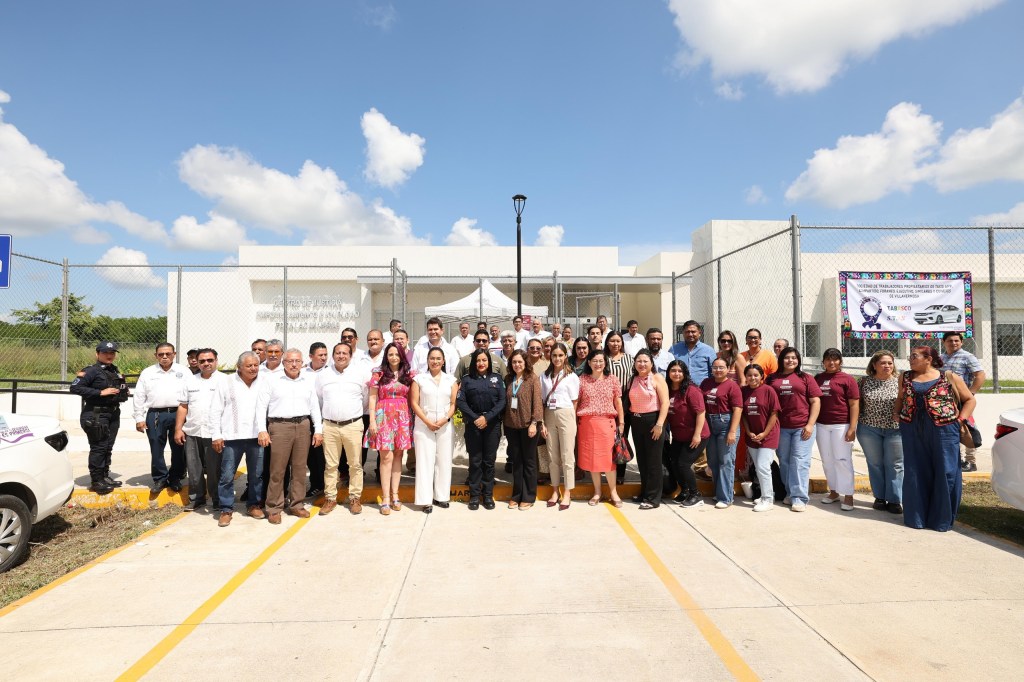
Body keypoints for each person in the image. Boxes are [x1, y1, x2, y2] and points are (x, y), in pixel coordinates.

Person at [896, 345, 976, 531]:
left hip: (945, 430)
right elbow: (900, 398)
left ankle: (940, 520)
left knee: (945, 471)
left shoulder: (948, 376)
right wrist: (896, 414)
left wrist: (960, 419)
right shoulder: (905, 377)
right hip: (911, 428)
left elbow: (970, 399)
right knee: (915, 470)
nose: (910, 359)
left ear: (928, 359)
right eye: (910, 356)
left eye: (915, 356)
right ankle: (916, 518)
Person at [256, 349, 323, 524]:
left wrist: (318, 430)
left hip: (303, 425)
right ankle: (274, 507)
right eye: (290, 361)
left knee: (300, 468)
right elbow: (261, 406)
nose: (294, 364)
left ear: (302, 363)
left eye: (297, 361)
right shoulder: (271, 380)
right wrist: (262, 429)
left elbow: (314, 406)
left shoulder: (307, 381)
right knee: (277, 469)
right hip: (279, 426)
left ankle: (296, 504)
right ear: (284, 362)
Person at [209, 351, 266, 527]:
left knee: (257, 475)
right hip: (231, 438)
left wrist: (263, 430)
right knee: (227, 475)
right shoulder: (226, 383)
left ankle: (253, 504)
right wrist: (216, 434)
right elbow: (215, 410)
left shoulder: (263, 382)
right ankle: (226, 509)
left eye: (256, 365)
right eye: (248, 365)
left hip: (256, 437)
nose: (253, 368)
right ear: (239, 367)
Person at [316, 342, 370, 516]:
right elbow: (319, 400)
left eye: (344, 353)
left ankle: (355, 498)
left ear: (350, 355)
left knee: (355, 464)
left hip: (353, 425)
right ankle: (330, 498)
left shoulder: (360, 374)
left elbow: (366, 399)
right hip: (330, 426)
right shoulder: (323, 375)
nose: (341, 356)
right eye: (338, 353)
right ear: (333, 355)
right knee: (331, 465)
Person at [70, 341, 130, 494]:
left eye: (112, 353)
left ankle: (104, 476)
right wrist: (100, 393)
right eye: (105, 353)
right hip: (96, 413)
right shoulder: (91, 371)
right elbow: (75, 387)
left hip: (113, 413)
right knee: (99, 447)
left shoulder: (114, 370)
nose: (109, 355)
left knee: (108, 446)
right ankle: (96, 481)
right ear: (97, 354)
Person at [768, 347, 821, 511]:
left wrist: (810, 424)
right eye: (787, 358)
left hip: (802, 427)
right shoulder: (772, 379)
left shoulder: (806, 378)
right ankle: (790, 493)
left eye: (794, 358)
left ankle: (800, 497)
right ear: (781, 359)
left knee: (799, 461)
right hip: (781, 427)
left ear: (798, 360)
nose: (790, 360)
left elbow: (815, 402)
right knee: (784, 460)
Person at [133, 342, 190, 494]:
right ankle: (160, 478)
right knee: (156, 447)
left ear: (174, 354)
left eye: (168, 354)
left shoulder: (184, 371)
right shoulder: (148, 373)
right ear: (156, 355)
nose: (164, 357)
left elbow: (191, 394)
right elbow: (139, 396)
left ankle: (176, 477)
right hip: (155, 414)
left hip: (178, 413)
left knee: (178, 447)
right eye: (161, 354)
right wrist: (139, 417)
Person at [174, 348, 226, 510]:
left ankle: (217, 499)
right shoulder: (190, 381)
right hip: (192, 431)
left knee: (214, 469)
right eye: (202, 361)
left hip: (215, 433)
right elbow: (183, 406)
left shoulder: (226, 381)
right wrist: (178, 429)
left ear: (216, 361)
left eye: (210, 360)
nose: (206, 364)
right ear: (197, 362)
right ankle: (197, 498)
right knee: (193, 468)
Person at [366, 343, 415, 515]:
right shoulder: (378, 373)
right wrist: (372, 421)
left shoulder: (409, 374)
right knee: (385, 457)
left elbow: (412, 398)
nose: (394, 357)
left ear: (402, 356)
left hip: (402, 418)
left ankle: (395, 495)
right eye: (390, 354)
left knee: (398, 456)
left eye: (397, 354)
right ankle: (385, 497)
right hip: (383, 417)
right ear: (386, 356)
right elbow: (372, 399)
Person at [457, 349, 506, 510]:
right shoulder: (467, 380)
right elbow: (461, 402)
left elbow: (502, 401)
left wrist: (487, 417)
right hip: (473, 425)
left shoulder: (496, 378)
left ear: (489, 362)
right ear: (473, 362)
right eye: (478, 360)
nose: (481, 363)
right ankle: (474, 496)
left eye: (484, 360)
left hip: (492, 425)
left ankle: (488, 495)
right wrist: (476, 418)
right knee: (475, 461)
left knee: (489, 462)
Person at [411, 347, 458, 513]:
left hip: (445, 425)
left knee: (444, 461)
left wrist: (445, 419)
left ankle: (441, 496)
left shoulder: (451, 380)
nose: (435, 361)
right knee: (425, 462)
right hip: (424, 425)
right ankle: (425, 500)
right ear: (427, 360)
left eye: (439, 358)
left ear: (443, 361)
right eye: (432, 358)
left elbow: (453, 404)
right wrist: (427, 421)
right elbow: (414, 403)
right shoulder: (419, 379)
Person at [857, 350, 904, 514]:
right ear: (874, 365)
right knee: (875, 464)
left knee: (896, 465)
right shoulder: (864, 382)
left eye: (890, 363)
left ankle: (894, 499)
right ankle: (879, 497)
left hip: (895, 430)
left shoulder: (901, 381)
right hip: (869, 429)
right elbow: (856, 404)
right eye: (883, 363)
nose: (887, 366)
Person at [577, 349, 625, 507]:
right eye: (595, 361)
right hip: (587, 424)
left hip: (607, 424)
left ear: (606, 363)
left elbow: (618, 402)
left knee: (609, 461)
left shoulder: (612, 379)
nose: (598, 364)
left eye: (601, 361)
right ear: (589, 363)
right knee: (592, 460)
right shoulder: (581, 380)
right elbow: (576, 402)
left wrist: (622, 423)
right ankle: (597, 492)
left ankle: (613, 492)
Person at [815, 349, 860, 512]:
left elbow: (854, 404)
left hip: (841, 425)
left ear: (840, 362)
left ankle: (848, 495)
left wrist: (852, 428)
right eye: (828, 359)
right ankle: (833, 492)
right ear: (823, 361)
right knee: (827, 460)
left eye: (835, 360)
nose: (831, 363)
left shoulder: (847, 380)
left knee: (842, 459)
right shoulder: (818, 378)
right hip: (821, 425)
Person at [624, 349, 669, 509]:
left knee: (654, 461)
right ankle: (645, 492)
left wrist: (659, 424)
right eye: (638, 361)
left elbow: (665, 403)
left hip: (653, 422)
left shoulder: (657, 378)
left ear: (651, 363)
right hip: (637, 422)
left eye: (645, 361)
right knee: (642, 460)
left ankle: (653, 498)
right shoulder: (632, 379)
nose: (641, 364)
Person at [540, 342, 580, 509]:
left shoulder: (572, 376)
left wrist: (571, 419)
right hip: (549, 414)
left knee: (567, 455)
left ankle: (568, 492)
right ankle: (555, 490)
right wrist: (542, 422)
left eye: (560, 355)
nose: (557, 358)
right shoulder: (544, 376)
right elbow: (542, 401)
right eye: (554, 355)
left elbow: (575, 401)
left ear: (565, 356)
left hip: (566, 413)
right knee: (552, 455)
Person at [665, 360, 710, 508]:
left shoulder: (692, 390)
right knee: (674, 463)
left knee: (684, 464)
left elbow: (701, 413)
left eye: (680, 371)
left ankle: (695, 494)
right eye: (673, 370)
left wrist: (697, 435)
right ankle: (684, 491)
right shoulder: (668, 389)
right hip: (679, 436)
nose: (676, 374)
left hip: (696, 435)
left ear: (685, 374)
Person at [502, 349, 543, 510]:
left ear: (525, 363)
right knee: (517, 462)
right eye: (514, 362)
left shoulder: (532, 379)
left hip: (528, 426)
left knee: (529, 462)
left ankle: (529, 496)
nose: (517, 364)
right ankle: (516, 494)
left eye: (520, 361)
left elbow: (537, 403)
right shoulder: (508, 379)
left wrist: (534, 422)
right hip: (512, 426)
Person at [700, 358, 743, 508]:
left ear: (727, 369)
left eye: (721, 367)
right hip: (709, 424)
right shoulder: (706, 383)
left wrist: (732, 431)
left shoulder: (732, 386)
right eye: (715, 367)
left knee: (726, 461)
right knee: (713, 461)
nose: (718, 370)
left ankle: (726, 498)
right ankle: (719, 493)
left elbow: (738, 409)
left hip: (725, 424)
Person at [940, 331, 985, 472]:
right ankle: (957, 460)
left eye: (956, 341)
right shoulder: (941, 358)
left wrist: (970, 393)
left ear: (961, 342)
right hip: (945, 400)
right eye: (950, 341)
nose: (953, 343)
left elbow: (980, 375)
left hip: (962, 399)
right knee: (951, 429)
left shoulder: (967, 356)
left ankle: (971, 462)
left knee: (967, 428)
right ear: (944, 342)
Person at [741, 364, 781, 513]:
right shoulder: (743, 391)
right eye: (749, 375)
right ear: (746, 377)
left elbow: (774, 414)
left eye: (756, 375)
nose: (753, 378)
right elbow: (743, 415)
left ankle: (768, 499)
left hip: (768, 435)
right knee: (758, 467)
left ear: (762, 376)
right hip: (752, 435)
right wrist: (749, 431)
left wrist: (764, 434)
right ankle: (766, 493)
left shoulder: (769, 391)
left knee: (764, 467)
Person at [605, 331, 633, 486]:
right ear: (607, 343)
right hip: (606, 404)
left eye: (618, 341)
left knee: (621, 438)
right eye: (612, 341)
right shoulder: (603, 359)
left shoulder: (629, 359)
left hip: (625, 404)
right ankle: (607, 469)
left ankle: (620, 473)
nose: (615, 344)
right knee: (607, 439)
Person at [303, 342, 329, 497]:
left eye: (325, 355)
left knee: (325, 456)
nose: (324, 358)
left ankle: (328, 486)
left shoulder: (330, 372)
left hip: (326, 419)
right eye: (320, 355)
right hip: (308, 419)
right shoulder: (302, 372)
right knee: (312, 455)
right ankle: (316, 484)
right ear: (311, 356)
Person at [669, 320, 717, 385]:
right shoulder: (674, 350)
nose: (690, 334)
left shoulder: (709, 350)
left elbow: (714, 372)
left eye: (693, 332)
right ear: (683, 333)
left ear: (699, 333)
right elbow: (669, 369)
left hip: (702, 389)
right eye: (687, 332)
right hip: (680, 389)